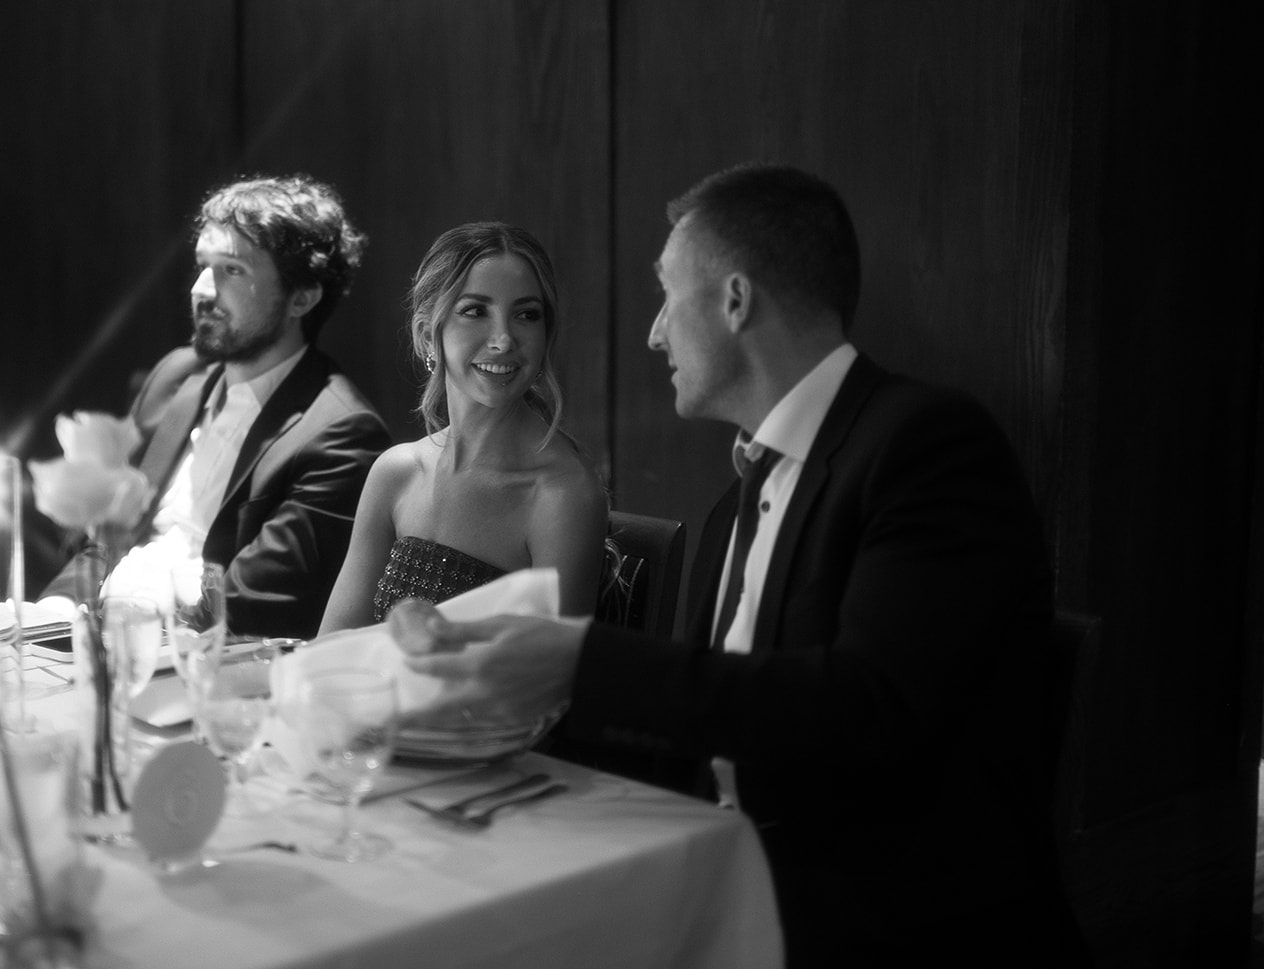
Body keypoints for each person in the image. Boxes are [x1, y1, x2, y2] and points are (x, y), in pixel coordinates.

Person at [400, 165, 1084, 966]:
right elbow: (693, 738)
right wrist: (478, 742)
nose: (654, 332)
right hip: (723, 884)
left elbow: (867, 709)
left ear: (734, 301)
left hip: (888, 923)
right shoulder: (740, 499)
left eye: (666, 294)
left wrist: (571, 659)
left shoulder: (924, 447)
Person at [41, 174, 390, 640]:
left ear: (301, 297)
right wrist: (53, 613)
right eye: (204, 266)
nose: (202, 289)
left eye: (233, 270)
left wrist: (114, 615)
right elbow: (109, 537)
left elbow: (254, 602)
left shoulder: (342, 433)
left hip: (213, 673)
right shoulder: (176, 376)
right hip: (104, 641)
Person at [319, 223, 607, 632]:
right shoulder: (396, 473)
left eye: (526, 315)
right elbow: (331, 648)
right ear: (425, 335)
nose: (504, 339)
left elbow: (549, 684)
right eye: (475, 311)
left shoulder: (563, 494)